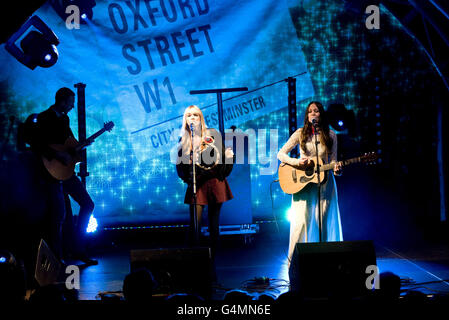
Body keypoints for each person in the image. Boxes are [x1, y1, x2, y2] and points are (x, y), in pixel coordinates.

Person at [29, 87, 97, 265]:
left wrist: (82, 145)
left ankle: (78, 248)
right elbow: (36, 143)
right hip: (51, 173)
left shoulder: (64, 119)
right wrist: (57, 155)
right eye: (70, 103)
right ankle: (56, 258)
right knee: (59, 215)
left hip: (66, 172)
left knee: (87, 204)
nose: (72, 107)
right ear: (62, 101)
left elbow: (69, 145)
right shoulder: (44, 118)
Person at [277, 101, 343, 266]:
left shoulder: (331, 134)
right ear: (307, 116)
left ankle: (324, 262)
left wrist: (337, 169)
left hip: (325, 183)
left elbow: (333, 161)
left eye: (317, 111)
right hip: (303, 182)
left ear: (321, 114)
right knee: (301, 222)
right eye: (310, 111)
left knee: (322, 220)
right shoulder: (300, 133)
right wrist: (297, 162)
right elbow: (280, 154)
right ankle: (295, 264)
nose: (313, 113)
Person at [175, 105, 234, 260]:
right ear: (185, 119)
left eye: (195, 115)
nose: (192, 118)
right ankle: (193, 259)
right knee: (195, 225)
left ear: (200, 117)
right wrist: (190, 176)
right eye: (189, 115)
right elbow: (180, 167)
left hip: (215, 182)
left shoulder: (212, 134)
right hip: (197, 184)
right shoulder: (183, 140)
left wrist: (229, 157)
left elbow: (222, 160)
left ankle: (211, 261)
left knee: (214, 225)